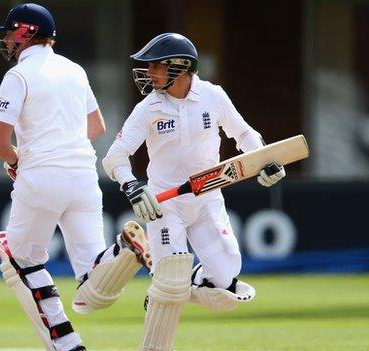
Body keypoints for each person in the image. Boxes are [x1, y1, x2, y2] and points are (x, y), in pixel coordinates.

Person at [102, 33, 286, 351]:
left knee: (227, 285)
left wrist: (266, 162)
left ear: (181, 67)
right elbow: (114, 157)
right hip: (164, 205)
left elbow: (243, 133)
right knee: (170, 284)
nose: (149, 73)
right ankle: (166, 289)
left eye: (156, 66)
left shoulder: (212, 96)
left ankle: (174, 280)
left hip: (207, 197)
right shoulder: (149, 107)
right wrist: (132, 186)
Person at [0, 4, 152, 351]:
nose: (6, 39)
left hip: (41, 177)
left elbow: (2, 144)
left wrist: (19, 159)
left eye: (9, 32)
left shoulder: (17, 76)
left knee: (21, 260)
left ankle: (66, 343)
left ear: (24, 32)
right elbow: (96, 127)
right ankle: (123, 251)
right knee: (92, 276)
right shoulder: (75, 70)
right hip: (83, 176)